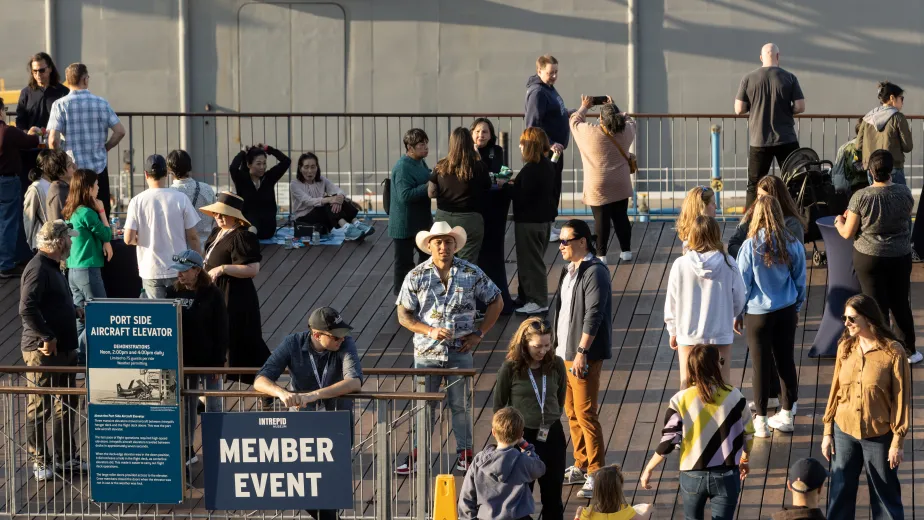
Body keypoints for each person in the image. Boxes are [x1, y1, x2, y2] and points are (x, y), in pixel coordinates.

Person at [395, 222, 503, 474]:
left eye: (448, 242)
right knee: (423, 406)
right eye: (438, 242)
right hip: (426, 353)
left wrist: (479, 333)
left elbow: (496, 300)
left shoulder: (471, 272)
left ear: (455, 245)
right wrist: (429, 330)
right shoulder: (416, 275)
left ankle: (465, 454)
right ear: (429, 246)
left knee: (462, 406)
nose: (443, 247)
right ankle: (418, 455)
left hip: (460, 351)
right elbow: (403, 315)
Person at [254, 307, 362, 520]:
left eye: (342, 334)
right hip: (303, 424)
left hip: (335, 422)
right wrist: (281, 393)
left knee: (328, 484)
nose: (341, 339)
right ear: (316, 335)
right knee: (299, 484)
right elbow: (261, 379)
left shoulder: (346, 343)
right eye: (335, 336)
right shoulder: (292, 343)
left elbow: (354, 381)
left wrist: (314, 395)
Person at [640, 345, 754, 520]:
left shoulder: (680, 400)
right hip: (727, 474)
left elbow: (669, 440)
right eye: (721, 361)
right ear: (717, 366)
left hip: (692, 474)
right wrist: (744, 459)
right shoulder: (735, 397)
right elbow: (749, 435)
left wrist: (649, 468)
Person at [822, 294, 909, 520]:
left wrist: (897, 443)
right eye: (844, 318)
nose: (846, 323)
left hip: (879, 434)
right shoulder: (845, 348)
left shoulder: (893, 352)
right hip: (844, 431)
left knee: (885, 498)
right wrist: (827, 431)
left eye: (852, 318)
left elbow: (901, 399)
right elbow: (835, 391)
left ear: (868, 318)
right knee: (840, 494)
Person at [834, 149, 920, 364]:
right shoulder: (904, 193)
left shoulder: (861, 196)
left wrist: (839, 221)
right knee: (900, 303)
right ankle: (908, 350)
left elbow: (847, 233)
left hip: (869, 257)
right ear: (891, 171)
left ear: (871, 172)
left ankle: (881, 349)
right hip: (900, 255)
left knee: (876, 305)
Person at [728, 174, 806, 411]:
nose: (758, 200)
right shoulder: (791, 238)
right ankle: (788, 409)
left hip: (758, 311)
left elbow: (744, 282)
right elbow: (799, 276)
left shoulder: (749, 245)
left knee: (760, 365)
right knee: (785, 361)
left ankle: (761, 419)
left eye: (762, 197)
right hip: (785, 307)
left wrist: (739, 312)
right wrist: (797, 304)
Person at [19, 220, 86, 481]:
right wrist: (46, 336)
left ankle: (65, 456)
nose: (72, 241)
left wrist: (74, 311)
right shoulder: (38, 268)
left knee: (66, 403)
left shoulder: (55, 267)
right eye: (69, 238)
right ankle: (40, 459)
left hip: (65, 348)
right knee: (41, 406)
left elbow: (52, 302)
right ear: (59, 242)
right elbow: (27, 308)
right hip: (43, 350)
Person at [550, 219, 612, 499]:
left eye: (566, 241)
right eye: (560, 241)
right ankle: (581, 462)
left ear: (582, 242)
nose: (560, 245)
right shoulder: (569, 270)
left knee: (586, 412)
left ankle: (596, 472)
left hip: (581, 356)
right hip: (564, 353)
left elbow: (594, 313)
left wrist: (582, 351)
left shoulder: (594, 271)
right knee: (571, 412)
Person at [493, 318, 567, 520]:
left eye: (547, 345)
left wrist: (549, 416)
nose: (543, 351)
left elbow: (560, 398)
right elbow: (499, 406)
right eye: (537, 346)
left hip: (552, 434)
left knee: (553, 496)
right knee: (519, 497)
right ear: (524, 343)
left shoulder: (556, 364)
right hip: (521, 438)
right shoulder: (511, 368)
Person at [665, 215, 746, 389]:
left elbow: (671, 302)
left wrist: (673, 329)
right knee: (723, 383)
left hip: (688, 334)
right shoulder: (729, 263)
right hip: (720, 334)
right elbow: (739, 298)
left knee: (686, 384)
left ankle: (687, 416)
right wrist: (729, 314)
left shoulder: (680, 264)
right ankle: (724, 415)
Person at [199, 192, 271, 384]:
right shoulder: (217, 232)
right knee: (220, 338)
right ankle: (210, 394)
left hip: (236, 296)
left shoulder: (242, 236)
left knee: (243, 340)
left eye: (223, 214)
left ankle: (265, 381)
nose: (218, 217)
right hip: (217, 294)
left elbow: (252, 269)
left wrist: (222, 269)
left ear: (235, 216)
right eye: (216, 213)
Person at [164, 250, 227, 465]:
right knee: (186, 406)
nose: (179, 275)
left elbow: (221, 329)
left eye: (184, 271)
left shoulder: (213, 293)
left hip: (209, 360)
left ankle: (217, 446)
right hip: (184, 360)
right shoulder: (171, 292)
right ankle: (186, 448)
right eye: (178, 272)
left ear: (197, 270)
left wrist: (219, 362)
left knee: (214, 405)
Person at [47, 63, 126, 220]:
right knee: (101, 216)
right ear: (85, 79)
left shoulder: (60, 105)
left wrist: (61, 162)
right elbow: (120, 131)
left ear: (68, 81)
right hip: (98, 171)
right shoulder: (101, 103)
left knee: (76, 218)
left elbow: (53, 141)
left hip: (73, 173)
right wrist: (105, 148)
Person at [734, 43, 805, 210]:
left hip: (759, 140)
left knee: (754, 184)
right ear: (778, 57)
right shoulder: (790, 77)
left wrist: (754, 108)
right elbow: (800, 107)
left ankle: (751, 222)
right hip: (786, 138)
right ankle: (794, 220)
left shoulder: (748, 78)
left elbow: (739, 109)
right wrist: (787, 110)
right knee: (794, 181)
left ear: (761, 58)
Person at [123, 154, 201, 298]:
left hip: (150, 269)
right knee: (179, 314)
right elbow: (193, 237)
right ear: (166, 173)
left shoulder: (137, 201)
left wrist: (139, 240)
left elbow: (128, 239)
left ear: (146, 174)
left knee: (156, 316)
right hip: (179, 268)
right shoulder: (181, 199)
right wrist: (199, 264)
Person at [570, 95, 637, 263]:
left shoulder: (591, 133)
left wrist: (585, 106)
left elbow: (574, 121)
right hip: (620, 181)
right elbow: (629, 119)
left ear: (600, 119)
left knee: (601, 220)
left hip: (598, 183)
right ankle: (627, 251)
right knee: (621, 217)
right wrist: (614, 105)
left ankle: (601, 255)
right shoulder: (627, 131)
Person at [457, 407, 546, 520]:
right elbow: (540, 468)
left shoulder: (479, 461)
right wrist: (525, 446)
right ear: (520, 435)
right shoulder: (523, 461)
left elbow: (467, 498)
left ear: (493, 432)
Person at [62, 168, 112, 363]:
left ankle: (78, 355)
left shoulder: (71, 211)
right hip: (88, 269)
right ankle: (82, 351)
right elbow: (106, 234)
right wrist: (101, 210)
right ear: (89, 188)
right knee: (100, 313)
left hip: (73, 269)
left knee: (81, 316)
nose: (98, 187)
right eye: (96, 184)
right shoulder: (87, 213)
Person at [504, 127, 556, 315]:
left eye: (522, 142)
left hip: (529, 223)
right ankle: (527, 296)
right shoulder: (547, 165)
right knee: (531, 261)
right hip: (542, 221)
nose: (519, 146)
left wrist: (506, 187)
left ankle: (539, 300)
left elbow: (522, 196)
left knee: (531, 263)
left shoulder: (531, 169)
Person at [428, 127, 491, 263]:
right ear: (470, 143)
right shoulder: (479, 166)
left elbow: (431, 192)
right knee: (467, 263)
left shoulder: (440, 165)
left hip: (443, 217)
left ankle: (444, 283)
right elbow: (487, 187)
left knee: (444, 260)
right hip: (469, 219)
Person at [525, 54, 569, 241]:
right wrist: (549, 143)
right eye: (550, 73)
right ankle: (546, 227)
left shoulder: (549, 89)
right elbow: (533, 124)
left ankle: (550, 223)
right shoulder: (538, 92)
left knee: (554, 187)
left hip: (555, 150)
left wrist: (569, 113)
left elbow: (552, 114)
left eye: (556, 72)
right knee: (547, 188)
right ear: (539, 71)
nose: (554, 76)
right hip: (547, 151)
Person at [16, 52, 69, 193]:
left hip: (54, 149)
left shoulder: (63, 92)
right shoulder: (26, 93)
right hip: (31, 149)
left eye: (41, 70)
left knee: (55, 188)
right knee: (29, 188)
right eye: (34, 71)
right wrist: (28, 133)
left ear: (50, 68)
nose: (38, 74)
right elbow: (20, 120)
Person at [0, 97, 41, 278]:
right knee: (8, 223)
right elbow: (31, 142)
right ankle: (6, 265)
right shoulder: (8, 132)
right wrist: (34, 132)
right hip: (7, 181)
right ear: (1, 110)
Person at [389, 128, 433, 296]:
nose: (426, 147)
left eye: (426, 143)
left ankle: (419, 291)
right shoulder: (402, 167)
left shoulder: (420, 162)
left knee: (427, 258)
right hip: (405, 225)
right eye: (421, 144)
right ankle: (402, 297)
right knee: (404, 263)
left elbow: (425, 177)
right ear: (410, 147)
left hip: (421, 222)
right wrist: (428, 187)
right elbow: (404, 195)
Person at [289, 152, 373, 240]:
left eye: (313, 167)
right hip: (304, 219)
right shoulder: (294, 184)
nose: (310, 171)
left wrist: (339, 199)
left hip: (321, 217)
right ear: (300, 168)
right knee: (327, 202)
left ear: (317, 167)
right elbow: (309, 201)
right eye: (306, 167)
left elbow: (338, 190)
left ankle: (355, 223)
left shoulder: (322, 180)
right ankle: (348, 228)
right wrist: (330, 199)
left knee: (337, 199)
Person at [728, 175, 806, 258]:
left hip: (779, 268)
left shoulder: (792, 223)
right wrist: (750, 255)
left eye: (764, 196)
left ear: (776, 198)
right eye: (758, 195)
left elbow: (798, 253)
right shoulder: (751, 215)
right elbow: (733, 244)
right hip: (751, 266)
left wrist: (765, 258)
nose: (760, 200)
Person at [229, 143, 291, 239]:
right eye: (258, 164)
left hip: (267, 228)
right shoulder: (242, 179)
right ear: (249, 165)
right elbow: (233, 168)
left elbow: (286, 161)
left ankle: (251, 235)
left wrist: (268, 149)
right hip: (249, 226)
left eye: (264, 163)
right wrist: (242, 153)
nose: (262, 167)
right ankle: (250, 235)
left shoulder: (269, 178)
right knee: (251, 219)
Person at [856, 82, 912, 186]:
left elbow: (858, 145)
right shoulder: (898, 118)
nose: (903, 102)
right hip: (893, 166)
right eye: (901, 98)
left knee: (877, 199)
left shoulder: (867, 118)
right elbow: (908, 146)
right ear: (892, 98)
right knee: (899, 200)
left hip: (872, 169)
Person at [23, 149, 73, 251]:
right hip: (44, 243)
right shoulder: (36, 188)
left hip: (59, 240)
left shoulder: (58, 184)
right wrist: (32, 242)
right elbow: (28, 219)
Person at [168, 149, 216, 247]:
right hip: (207, 248)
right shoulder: (207, 189)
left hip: (179, 252)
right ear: (189, 167)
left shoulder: (168, 194)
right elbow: (216, 220)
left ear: (170, 170)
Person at [574, 465, 652, 520]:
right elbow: (643, 518)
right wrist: (648, 509)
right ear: (619, 488)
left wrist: (578, 515)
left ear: (596, 489)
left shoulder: (587, 513)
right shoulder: (626, 511)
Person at [46, 151, 75, 223]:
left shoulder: (65, 187)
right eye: (69, 165)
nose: (74, 166)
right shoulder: (58, 193)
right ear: (60, 173)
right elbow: (59, 225)